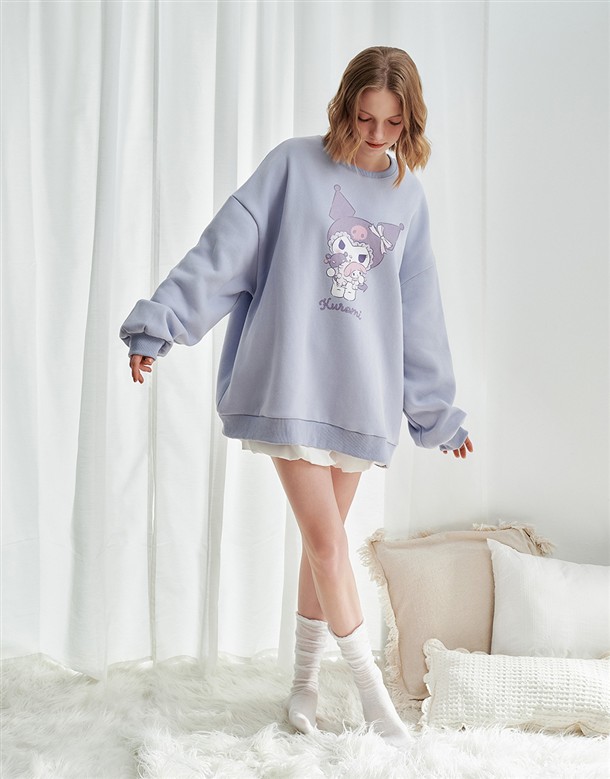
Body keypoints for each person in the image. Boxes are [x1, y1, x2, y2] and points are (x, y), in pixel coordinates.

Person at [120, 45, 473, 749]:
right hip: (292, 380)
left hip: (360, 393)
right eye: (366, 118)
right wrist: (161, 324)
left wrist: (437, 414)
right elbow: (224, 251)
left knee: (325, 544)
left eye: (393, 123)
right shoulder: (292, 165)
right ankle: (373, 699)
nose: (377, 134)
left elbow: (420, 312)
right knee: (326, 540)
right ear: (345, 107)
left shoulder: (408, 198)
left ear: (410, 121)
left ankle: (304, 685)